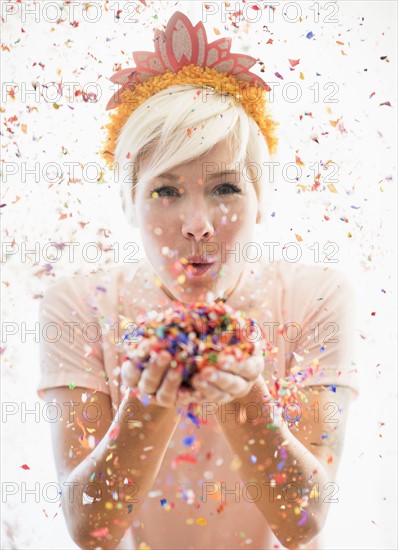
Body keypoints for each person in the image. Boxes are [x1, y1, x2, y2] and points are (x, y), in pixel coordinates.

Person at [37, 11, 360, 550]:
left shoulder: (316, 296)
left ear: (260, 200)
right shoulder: (78, 304)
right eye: (165, 191)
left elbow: (304, 520)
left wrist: (245, 396)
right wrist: (146, 400)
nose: (198, 225)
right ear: (129, 203)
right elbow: (89, 530)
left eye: (226, 189)